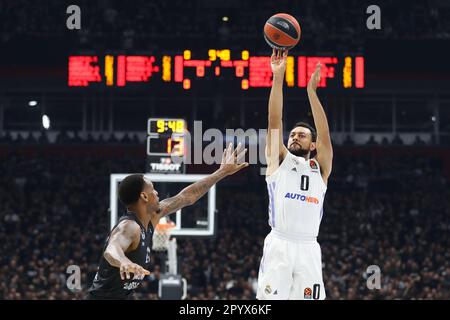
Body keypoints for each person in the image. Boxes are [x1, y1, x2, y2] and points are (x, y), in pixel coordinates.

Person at [87, 143, 248, 299]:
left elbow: (186, 197)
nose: (157, 193)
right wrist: (122, 261)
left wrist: (222, 172)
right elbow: (112, 249)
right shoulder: (129, 226)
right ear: (144, 196)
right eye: (153, 189)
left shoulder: (153, 216)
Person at [257, 49, 333, 300]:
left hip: (309, 246)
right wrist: (278, 78)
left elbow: (324, 134)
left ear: (313, 145)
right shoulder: (279, 160)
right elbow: (274, 119)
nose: (294, 136)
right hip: (280, 243)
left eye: (302, 135)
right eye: (293, 134)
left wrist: (311, 92)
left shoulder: (320, 167)